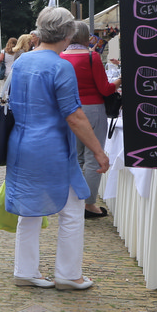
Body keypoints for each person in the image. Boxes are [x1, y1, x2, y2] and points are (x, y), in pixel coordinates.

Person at [7, 7, 110, 291]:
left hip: (21, 143)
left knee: (29, 209)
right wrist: (98, 151)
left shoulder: (22, 61)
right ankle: (68, 274)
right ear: (68, 34)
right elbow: (74, 115)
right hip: (51, 146)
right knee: (73, 209)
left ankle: (25, 270)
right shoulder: (60, 66)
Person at [60, 21, 122, 219]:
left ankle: (71, 200)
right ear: (86, 36)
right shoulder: (91, 57)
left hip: (68, 110)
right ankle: (89, 204)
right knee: (93, 157)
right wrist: (120, 80)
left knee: (74, 157)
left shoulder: (61, 56)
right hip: (92, 109)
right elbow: (105, 89)